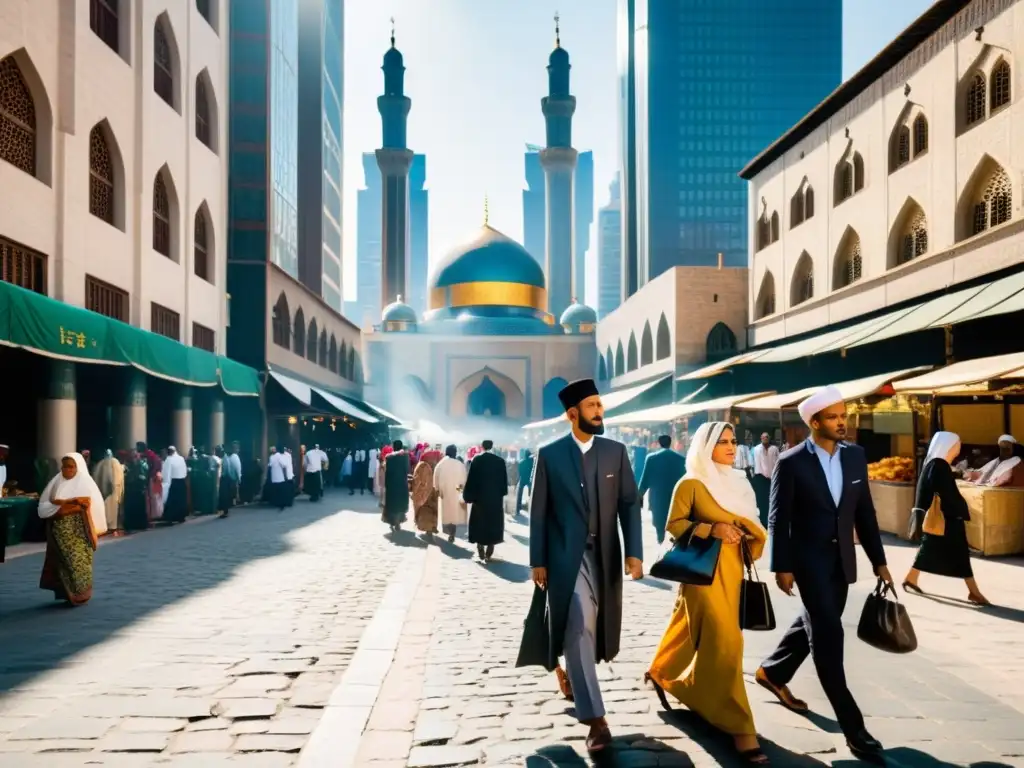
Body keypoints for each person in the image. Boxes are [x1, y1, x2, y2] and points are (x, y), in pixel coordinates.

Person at [757, 385, 892, 765]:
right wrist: (780, 565)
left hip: (842, 563)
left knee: (816, 622)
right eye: (833, 417)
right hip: (807, 562)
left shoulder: (855, 456)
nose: (841, 423)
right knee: (829, 636)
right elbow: (777, 517)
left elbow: (864, 511)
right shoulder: (791, 461)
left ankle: (772, 671)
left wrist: (879, 560)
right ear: (814, 422)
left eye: (843, 416)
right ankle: (854, 727)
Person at [516, 378, 644, 754]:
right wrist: (537, 559)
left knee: (590, 627)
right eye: (592, 406)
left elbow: (629, 505)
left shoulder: (616, 452)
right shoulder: (550, 454)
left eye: (600, 406)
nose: (600, 412)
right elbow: (538, 512)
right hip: (564, 559)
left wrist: (634, 551)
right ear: (573, 414)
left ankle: (571, 671)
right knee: (576, 622)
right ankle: (595, 720)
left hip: (603, 556)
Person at [645, 422, 769, 764]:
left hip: (733, 572)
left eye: (732, 441)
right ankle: (741, 728)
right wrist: (711, 528)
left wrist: (745, 533)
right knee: (726, 642)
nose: (731, 447)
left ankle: (663, 671)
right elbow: (674, 525)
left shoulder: (740, 482)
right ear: (706, 446)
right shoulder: (691, 483)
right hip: (703, 576)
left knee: (690, 631)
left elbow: (754, 524)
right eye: (722, 442)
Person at [902, 431, 990, 605]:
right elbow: (945, 494)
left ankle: (911, 578)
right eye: (957, 444)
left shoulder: (934, 464)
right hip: (947, 519)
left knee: (929, 550)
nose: (958, 448)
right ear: (948, 446)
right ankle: (974, 592)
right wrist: (960, 509)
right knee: (960, 555)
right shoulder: (939, 465)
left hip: (942, 518)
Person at [37, 453, 107, 605]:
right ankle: (67, 592)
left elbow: (94, 506)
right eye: (64, 466)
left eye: (70, 467)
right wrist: (63, 507)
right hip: (60, 531)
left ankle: (80, 593)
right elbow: (44, 505)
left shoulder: (86, 483)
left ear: (78, 467)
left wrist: (73, 505)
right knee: (63, 562)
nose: (66, 470)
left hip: (80, 531)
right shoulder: (56, 482)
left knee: (79, 561)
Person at [464, 440, 508, 561]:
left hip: (479, 498)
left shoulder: (477, 460)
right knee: (492, 523)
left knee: (480, 522)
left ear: (482, 447)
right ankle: (490, 547)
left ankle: (480, 546)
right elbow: (504, 484)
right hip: (495, 499)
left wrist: (468, 496)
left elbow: (471, 479)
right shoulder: (500, 461)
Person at [638, 435, 686, 544]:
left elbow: (645, 480)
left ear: (659, 443)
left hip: (657, 499)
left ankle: (662, 546)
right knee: (674, 527)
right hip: (675, 499)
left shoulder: (651, 458)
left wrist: (639, 497)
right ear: (671, 442)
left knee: (660, 528)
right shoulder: (681, 459)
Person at [434, 444, 468, 542]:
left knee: (447, 512)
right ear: (455, 453)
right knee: (455, 513)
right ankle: (453, 532)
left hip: (445, 492)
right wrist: (460, 491)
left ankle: (450, 531)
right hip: (456, 492)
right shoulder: (460, 464)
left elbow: (436, 477)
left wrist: (438, 490)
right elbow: (463, 480)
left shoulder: (441, 464)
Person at [92, 449, 125, 537]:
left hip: (103, 493)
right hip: (113, 492)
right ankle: (113, 528)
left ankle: (106, 527)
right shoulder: (114, 462)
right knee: (113, 511)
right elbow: (117, 479)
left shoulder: (99, 464)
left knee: (106, 510)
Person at [382, 441, 410, 532]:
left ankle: (393, 521)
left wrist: (386, 484)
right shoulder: (405, 457)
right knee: (400, 503)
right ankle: (398, 522)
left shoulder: (389, 457)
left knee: (392, 503)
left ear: (393, 447)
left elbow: (387, 472)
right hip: (402, 483)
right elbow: (407, 470)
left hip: (392, 483)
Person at [412, 449, 441, 538]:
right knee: (431, 511)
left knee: (426, 511)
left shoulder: (423, 465)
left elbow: (416, 480)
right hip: (431, 493)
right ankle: (431, 528)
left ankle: (429, 528)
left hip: (425, 493)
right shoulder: (432, 465)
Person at [751, 433, 778, 527]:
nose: (764, 439)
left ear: (769, 438)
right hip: (760, 478)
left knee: (771, 500)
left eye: (766, 437)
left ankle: (770, 521)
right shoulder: (756, 449)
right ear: (760, 438)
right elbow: (752, 463)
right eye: (763, 437)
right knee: (761, 501)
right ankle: (762, 522)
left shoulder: (774, 449)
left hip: (772, 478)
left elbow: (777, 462)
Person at [137, 441, 164, 522]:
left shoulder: (149, 455)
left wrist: (150, 475)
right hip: (155, 477)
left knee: (154, 497)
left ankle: (156, 515)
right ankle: (157, 514)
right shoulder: (150, 454)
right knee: (155, 496)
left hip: (153, 478)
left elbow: (152, 467)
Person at [161, 446, 189, 524]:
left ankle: (171, 518)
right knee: (181, 500)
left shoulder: (169, 459)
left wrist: (166, 483)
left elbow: (167, 473)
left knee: (172, 501)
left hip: (173, 482)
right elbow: (185, 470)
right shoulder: (181, 458)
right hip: (181, 481)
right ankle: (181, 517)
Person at [267, 445, 295, 510]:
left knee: (276, 491)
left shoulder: (271, 456)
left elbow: (270, 465)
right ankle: (283, 503)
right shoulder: (279, 456)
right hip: (281, 476)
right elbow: (284, 464)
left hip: (275, 477)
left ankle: (276, 502)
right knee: (281, 491)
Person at [216, 446, 238, 518]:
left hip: (225, 479)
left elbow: (225, 471)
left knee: (223, 496)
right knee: (224, 496)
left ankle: (224, 512)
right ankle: (224, 511)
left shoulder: (225, 459)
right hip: (227, 479)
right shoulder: (225, 458)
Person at [516, 449, 534, 515]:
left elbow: (519, 471)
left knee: (520, 494)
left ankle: (518, 507)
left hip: (522, 479)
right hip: (529, 479)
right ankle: (530, 506)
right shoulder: (531, 461)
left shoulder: (521, 462)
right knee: (531, 494)